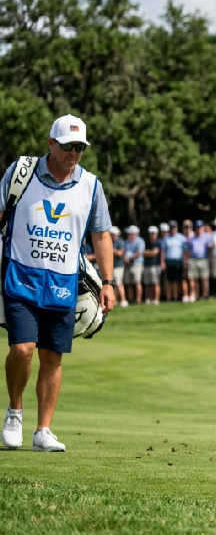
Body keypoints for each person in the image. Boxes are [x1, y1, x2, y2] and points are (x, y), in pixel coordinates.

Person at [1, 114, 116, 452]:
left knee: (53, 357)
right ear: (51, 143)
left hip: (64, 284)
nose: (74, 153)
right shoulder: (21, 173)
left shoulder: (91, 185)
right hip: (20, 275)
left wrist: (107, 282)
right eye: (68, 146)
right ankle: (15, 412)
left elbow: (101, 235)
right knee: (22, 349)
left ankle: (43, 431)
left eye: (80, 148)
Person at [162, 220, 188, 303]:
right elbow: (163, 251)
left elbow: (185, 251)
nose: (173, 229)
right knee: (169, 281)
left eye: (174, 227)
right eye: (171, 228)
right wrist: (162, 262)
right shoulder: (166, 238)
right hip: (169, 261)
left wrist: (185, 262)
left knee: (179, 281)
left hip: (178, 261)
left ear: (177, 228)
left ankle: (178, 297)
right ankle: (170, 298)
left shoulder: (182, 238)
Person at [188, 220, 212, 301]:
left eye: (200, 227)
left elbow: (210, 250)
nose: (199, 229)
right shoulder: (191, 238)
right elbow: (188, 250)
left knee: (205, 278)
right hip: (193, 259)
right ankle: (196, 295)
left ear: (203, 228)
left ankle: (205, 295)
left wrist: (210, 261)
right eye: (197, 227)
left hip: (204, 259)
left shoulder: (207, 237)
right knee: (195, 279)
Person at [123, 226, 145, 304]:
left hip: (137, 263)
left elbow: (139, 252)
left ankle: (138, 299)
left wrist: (130, 258)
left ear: (135, 233)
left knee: (137, 282)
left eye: (130, 233)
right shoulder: (126, 241)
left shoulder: (140, 241)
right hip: (128, 264)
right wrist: (125, 258)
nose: (129, 234)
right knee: (129, 283)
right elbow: (124, 251)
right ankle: (131, 299)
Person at [142, 225, 162, 305]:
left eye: (154, 233)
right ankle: (148, 299)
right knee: (147, 284)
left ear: (156, 234)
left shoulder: (159, 242)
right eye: (151, 233)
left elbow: (155, 253)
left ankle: (156, 299)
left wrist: (148, 253)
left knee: (155, 283)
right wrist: (150, 252)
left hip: (155, 265)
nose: (152, 235)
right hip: (147, 265)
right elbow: (143, 253)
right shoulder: (146, 242)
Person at [109, 226, 127, 307]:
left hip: (119, 266)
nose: (112, 235)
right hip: (111, 266)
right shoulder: (109, 241)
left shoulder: (120, 241)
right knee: (113, 284)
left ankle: (123, 300)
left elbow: (120, 253)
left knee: (119, 283)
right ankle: (115, 300)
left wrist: (111, 251)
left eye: (113, 234)